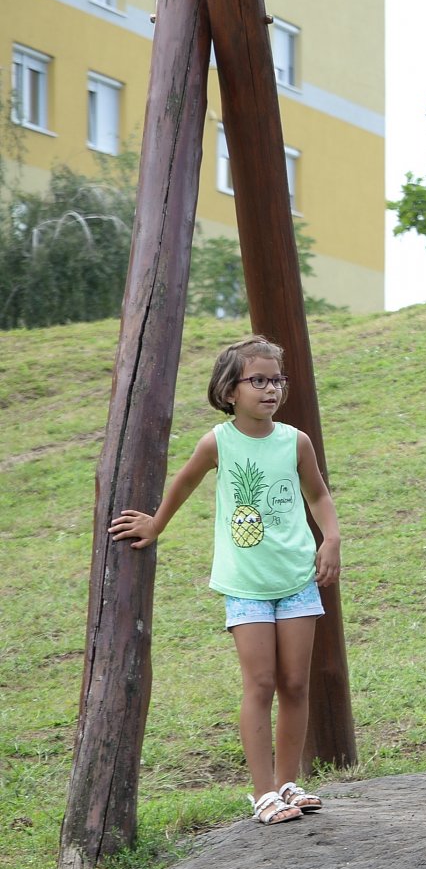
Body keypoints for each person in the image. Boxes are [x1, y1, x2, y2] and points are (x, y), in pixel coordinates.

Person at [109, 336, 342, 826]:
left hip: (297, 579)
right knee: (260, 683)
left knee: (295, 684)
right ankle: (262, 793)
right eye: (257, 379)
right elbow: (185, 482)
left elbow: (318, 496)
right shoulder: (219, 442)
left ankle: (288, 782)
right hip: (246, 585)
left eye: (277, 379)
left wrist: (332, 540)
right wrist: (154, 523)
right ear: (229, 389)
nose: (270, 389)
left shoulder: (294, 441)